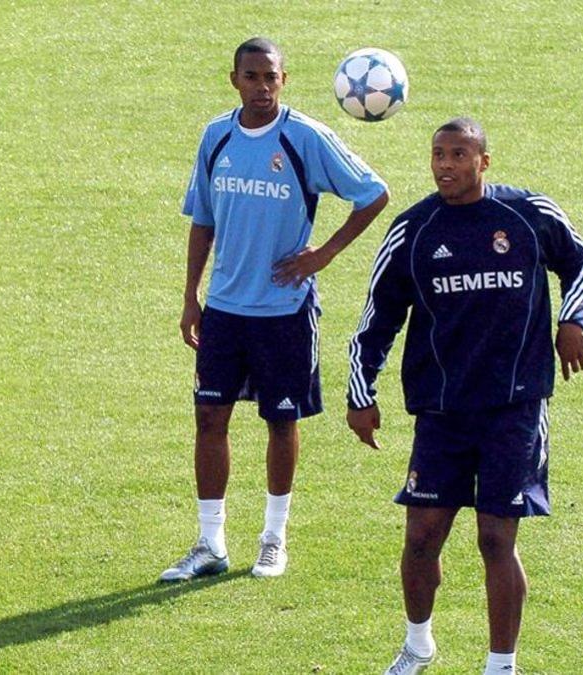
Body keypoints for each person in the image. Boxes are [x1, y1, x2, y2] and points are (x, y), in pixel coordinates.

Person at [347, 118, 583, 674]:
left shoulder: (527, 215)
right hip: (442, 411)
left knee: (494, 538)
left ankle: (501, 666)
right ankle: (417, 646)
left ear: (484, 161)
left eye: (459, 154)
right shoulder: (413, 230)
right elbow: (375, 322)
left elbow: (582, 259)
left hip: (515, 407)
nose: (445, 165)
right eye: (438, 154)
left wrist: (572, 321)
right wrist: (361, 395)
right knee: (422, 537)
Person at [161, 37, 389, 582]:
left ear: (284, 80)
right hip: (224, 309)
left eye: (271, 77)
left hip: (285, 311)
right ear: (234, 79)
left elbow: (373, 192)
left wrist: (324, 254)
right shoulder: (215, 137)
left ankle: (273, 538)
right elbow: (203, 220)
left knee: (281, 421)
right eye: (251, 76)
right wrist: (191, 296)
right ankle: (210, 544)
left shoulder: (304, 137)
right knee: (209, 418)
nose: (261, 87)